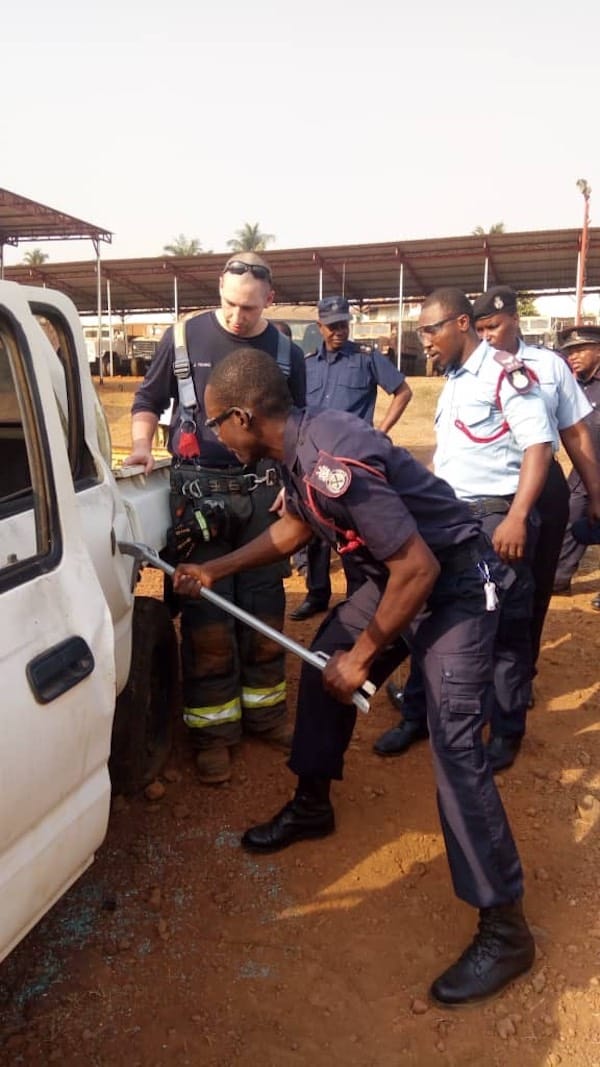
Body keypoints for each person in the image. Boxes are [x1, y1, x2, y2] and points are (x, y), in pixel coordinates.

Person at [173, 347, 535, 1007]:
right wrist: (214, 571)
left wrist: (365, 657)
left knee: (454, 747)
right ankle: (313, 805)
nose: (214, 436)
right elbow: (292, 527)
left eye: (217, 422)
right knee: (321, 669)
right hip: (392, 578)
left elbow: (420, 567)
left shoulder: (332, 455)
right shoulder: (294, 449)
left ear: (246, 417)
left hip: (449, 582)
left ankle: (505, 925)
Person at [123, 252, 306, 785]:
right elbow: (147, 398)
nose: (237, 317)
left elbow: (298, 425)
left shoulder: (286, 351)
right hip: (198, 495)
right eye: (229, 303)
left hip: (265, 496)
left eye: (249, 308)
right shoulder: (183, 338)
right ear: (218, 292)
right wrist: (140, 447)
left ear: (269, 301)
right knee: (208, 616)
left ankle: (266, 714)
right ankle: (212, 733)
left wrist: (292, 485)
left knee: (266, 607)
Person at [375, 287, 553, 773]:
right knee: (431, 619)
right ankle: (418, 716)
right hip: (450, 520)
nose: (424, 341)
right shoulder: (453, 380)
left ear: (459, 324)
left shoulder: (505, 374)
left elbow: (539, 447)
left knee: (505, 630)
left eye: (429, 330)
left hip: (497, 522)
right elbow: (454, 455)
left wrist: (516, 517)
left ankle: (506, 731)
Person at [471, 287, 600, 666]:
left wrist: (595, 493)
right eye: (479, 329)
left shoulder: (550, 365)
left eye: (493, 326)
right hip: (491, 490)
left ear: (514, 318)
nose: (487, 336)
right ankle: (482, 669)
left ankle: (520, 672)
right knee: (483, 583)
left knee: (538, 585)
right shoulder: (470, 367)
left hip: (545, 488)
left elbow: (574, 433)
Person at [290, 295, 412, 621]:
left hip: (351, 462)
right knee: (314, 528)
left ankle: (358, 597)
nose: (338, 331)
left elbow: (403, 391)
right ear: (320, 327)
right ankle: (317, 594)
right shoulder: (307, 364)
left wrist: (381, 431)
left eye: (343, 324)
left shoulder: (366, 359)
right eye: (331, 326)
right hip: (314, 458)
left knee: (352, 531)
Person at [552, 325, 600, 608]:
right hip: (587, 470)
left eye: (580, 349)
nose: (573, 356)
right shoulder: (575, 386)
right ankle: (558, 580)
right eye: (570, 351)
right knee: (571, 518)